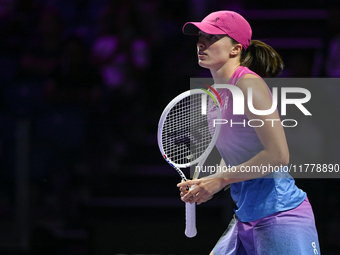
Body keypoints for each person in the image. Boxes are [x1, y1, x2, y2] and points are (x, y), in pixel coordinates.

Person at [177, 11, 321, 255]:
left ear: (235, 49)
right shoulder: (216, 96)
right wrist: (206, 184)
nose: (201, 42)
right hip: (246, 217)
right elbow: (237, 153)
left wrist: (220, 180)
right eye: (200, 36)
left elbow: (277, 155)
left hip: (280, 215)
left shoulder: (248, 85)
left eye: (212, 37)